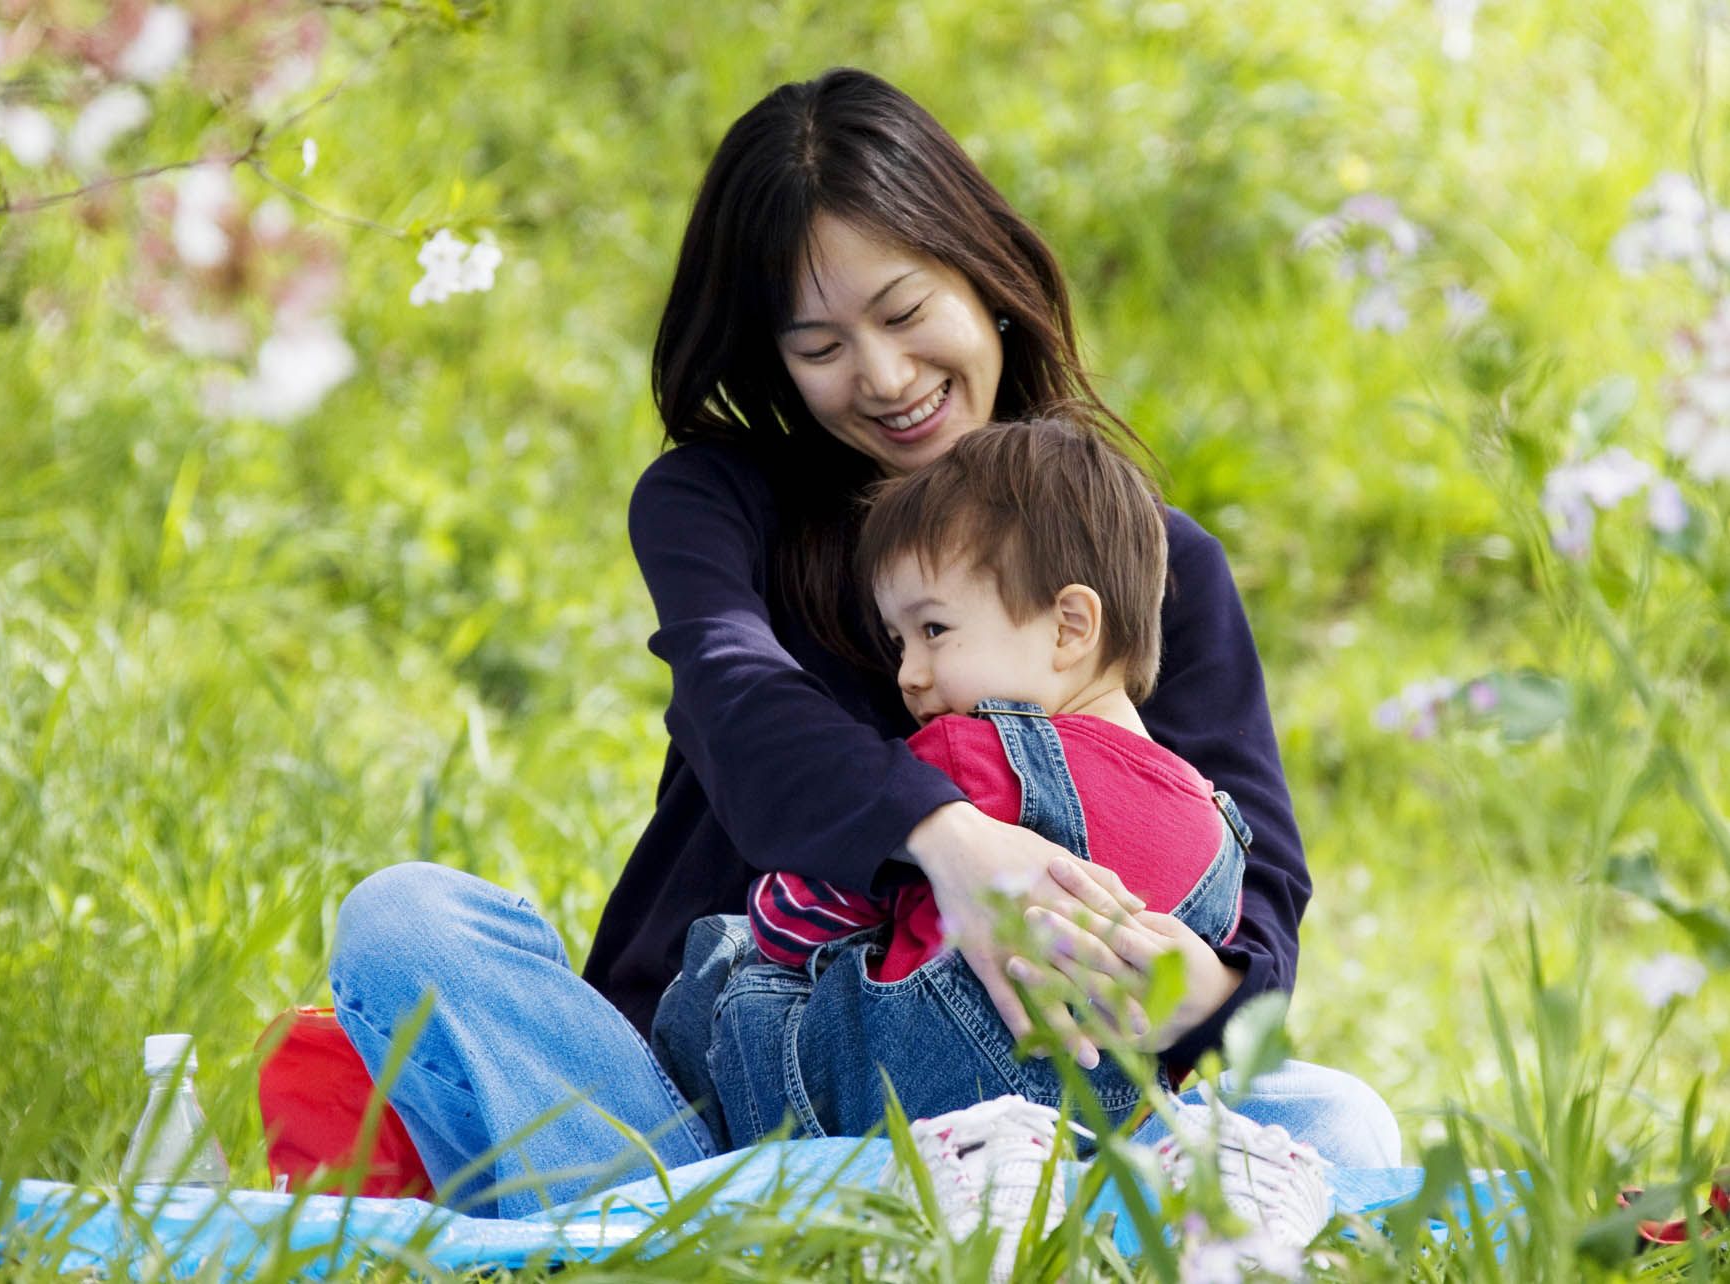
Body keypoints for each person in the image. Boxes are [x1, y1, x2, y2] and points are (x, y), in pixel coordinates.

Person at [327, 67, 1400, 1220]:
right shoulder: (718, 502)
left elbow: (1260, 890)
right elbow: (742, 711)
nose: (883, 379)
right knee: (405, 920)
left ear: (985, 280)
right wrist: (960, 850)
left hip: (1034, 1103)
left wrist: (1188, 986)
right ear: (773, 358)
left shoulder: (1147, 558)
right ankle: (790, 1208)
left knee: (1335, 1120)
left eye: (903, 313)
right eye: (819, 344)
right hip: (702, 1099)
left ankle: (759, 1221)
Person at [654, 416, 1252, 1148]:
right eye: (899, 642)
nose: (908, 673)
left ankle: (673, 1156)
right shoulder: (1215, 828)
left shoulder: (973, 754)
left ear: (1069, 626)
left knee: (728, 962)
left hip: (881, 1116)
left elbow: (796, 913)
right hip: (1091, 1141)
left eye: (933, 630)